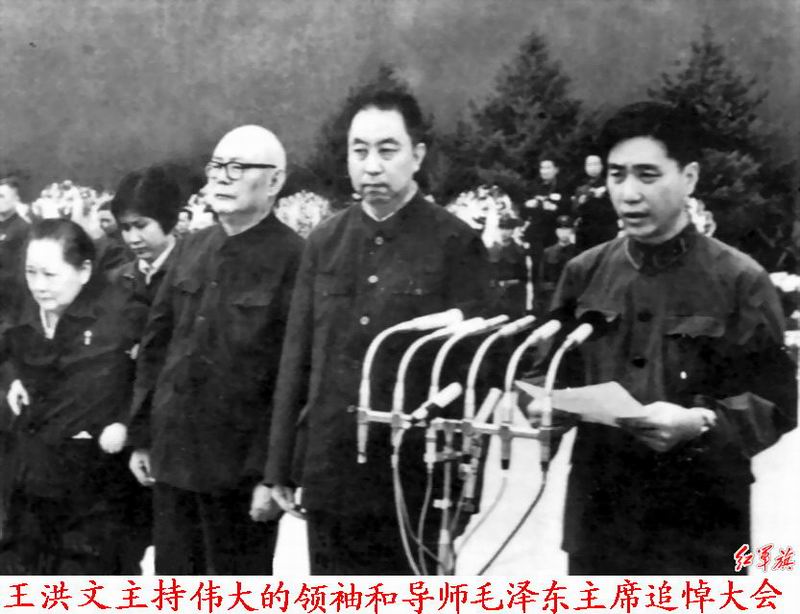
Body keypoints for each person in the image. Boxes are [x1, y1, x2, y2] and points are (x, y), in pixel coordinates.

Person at [542, 101, 797, 575]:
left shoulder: (740, 280)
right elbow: (549, 371)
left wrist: (702, 422)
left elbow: (777, 400)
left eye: (647, 175)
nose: (629, 194)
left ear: (689, 177)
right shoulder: (583, 273)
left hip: (702, 521)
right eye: (616, 175)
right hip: (601, 515)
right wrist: (543, 408)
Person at [262, 90, 493, 574]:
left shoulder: (456, 244)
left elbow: (475, 379)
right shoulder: (324, 242)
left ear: (417, 156)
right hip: (332, 472)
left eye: (388, 150)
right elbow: (297, 358)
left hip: (415, 481)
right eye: (359, 150)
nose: (371, 166)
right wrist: (279, 465)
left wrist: (461, 493)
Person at [126, 125, 303, 575]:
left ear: (275, 181)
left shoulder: (296, 259)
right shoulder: (191, 247)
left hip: (238, 473)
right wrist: (142, 436)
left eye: (238, 168)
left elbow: (294, 376)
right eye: (216, 166)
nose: (222, 177)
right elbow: (156, 347)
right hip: (173, 459)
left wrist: (273, 473)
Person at [0, 219, 142, 573]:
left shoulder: (120, 315)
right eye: (31, 273)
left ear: (84, 271)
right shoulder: (23, 307)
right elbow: (7, 352)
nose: (39, 285)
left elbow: (150, 377)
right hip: (29, 479)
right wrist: (12, 378)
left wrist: (126, 423)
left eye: (50, 275)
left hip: (94, 488)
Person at [104, 164, 186, 573]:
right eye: (125, 227)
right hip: (121, 435)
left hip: (173, 438)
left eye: (142, 225)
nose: (133, 237)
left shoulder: (193, 272)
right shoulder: (116, 280)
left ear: (170, 220)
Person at [520, 157, 569, 269]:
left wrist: (554, 208)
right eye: (542, 168)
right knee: (536, 266)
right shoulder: (533, 187)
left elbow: (568, 210)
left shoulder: (563, 187)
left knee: (552, 266)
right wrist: (528, 205)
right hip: (535, 234)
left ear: (556, 169)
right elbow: (523, 213)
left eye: (548, 168)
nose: (544, 171)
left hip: (554, 233)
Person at [571, 154, 618, 251]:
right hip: (586, 230)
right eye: (589, 164)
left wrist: (603, 197)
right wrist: (582, 202)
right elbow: (574, 211)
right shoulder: (581, 188)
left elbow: (616, 208)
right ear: (585, 167)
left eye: (595, 164)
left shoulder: (610, 185)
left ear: (601, 166)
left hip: (606, 229)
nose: (592, 167)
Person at [0, 178, 30, 329]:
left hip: (7, 304)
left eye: (2, 196)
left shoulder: (23, 228)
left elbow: (21, 275)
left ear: (16, 199)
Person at [535, 214, 577, 317]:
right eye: (561, 230)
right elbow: (541, 279)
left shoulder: (577, 253)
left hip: (570, 301)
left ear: (572, 231)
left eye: (567, 229)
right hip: (551, 299)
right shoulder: (548, 252)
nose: (564, 233)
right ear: (556, 231)